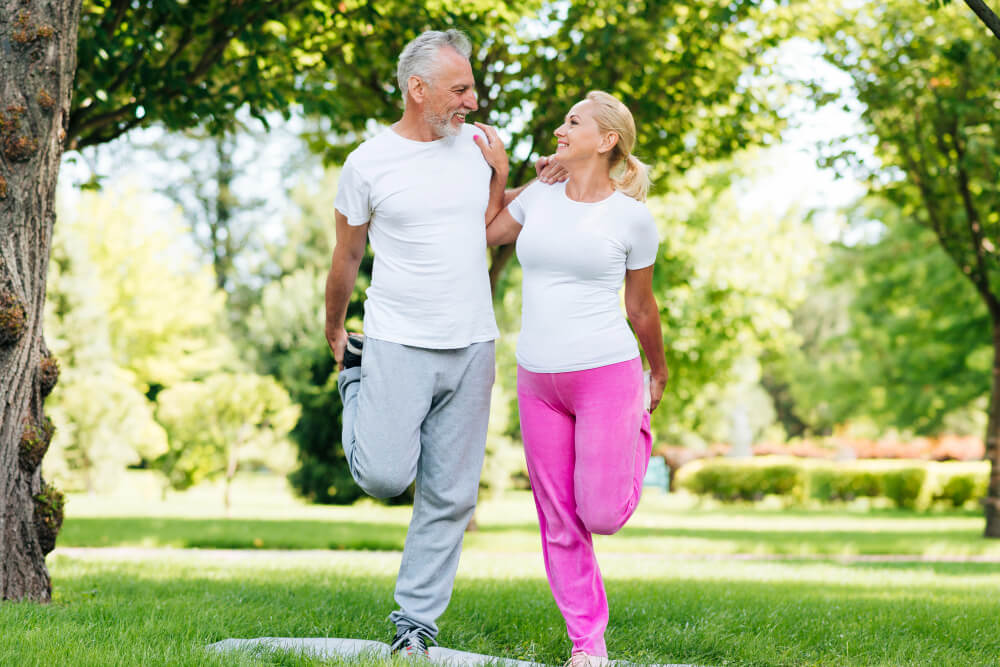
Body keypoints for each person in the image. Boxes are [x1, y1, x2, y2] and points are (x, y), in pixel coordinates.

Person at [324, 29, 561, 660]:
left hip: (473, 342)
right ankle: (357, 386)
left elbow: (487, 230)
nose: (473, 101)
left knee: (451, 495)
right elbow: (347, 256)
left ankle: (415, 624)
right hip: (397, 338)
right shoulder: (367, 163)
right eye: (460, 89)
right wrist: (334, 328)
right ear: (417, 88)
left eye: (473, 87)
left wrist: (515, 178)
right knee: (381, 475)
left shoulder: (475, 149)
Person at [476, 90, 668, 667]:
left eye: (572, 122)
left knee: (602, 514)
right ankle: (588, 645)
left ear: (607, 139)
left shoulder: (632, 218)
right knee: (559, 519)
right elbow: (488, 231)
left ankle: (635, 434)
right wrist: (504, 176)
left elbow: (641, 308)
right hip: (537, 378)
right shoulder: (542, 196)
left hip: (607, 374)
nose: (560, 129)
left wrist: (656, 371)